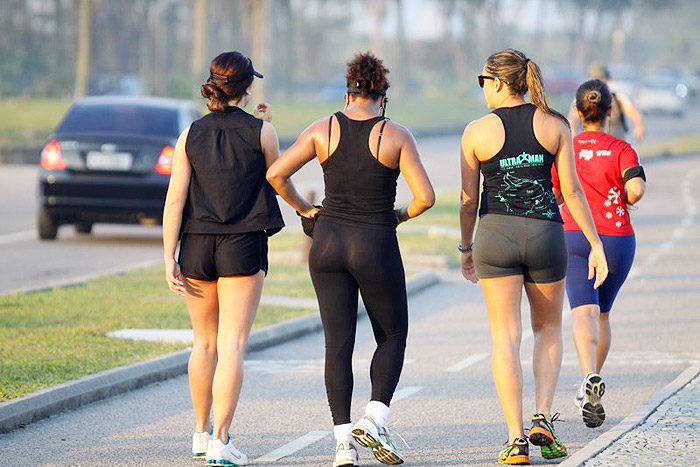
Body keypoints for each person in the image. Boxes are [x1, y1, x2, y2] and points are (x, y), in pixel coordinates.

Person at [266, 52, 434, 467]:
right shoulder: (395, 134)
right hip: (375, 241)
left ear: (347, 92)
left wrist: (306, 210)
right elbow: (426, 198)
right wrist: (399, 216)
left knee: (337, 344)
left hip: (326, 244)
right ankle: (375, 418)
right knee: (392, 335)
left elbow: (274, 175)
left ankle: (343, 444)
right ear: (382, 97)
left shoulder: (322, 128)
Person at [458, 49, 609, 465]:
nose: (483, 88)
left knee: (505, 337)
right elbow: (572, 193)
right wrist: (596, 245)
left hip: (495, 237)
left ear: (502, 83)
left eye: (484, 80)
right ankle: (543, 416)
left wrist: (466, 247)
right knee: (547, 330)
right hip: (545, 235)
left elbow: (469, 201)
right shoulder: (555, 124)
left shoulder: (475, 132)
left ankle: (515, 439)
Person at [162, 51, 288, 466]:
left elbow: (175, 199)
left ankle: (199, 433)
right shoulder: (261, 133)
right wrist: (267, 126)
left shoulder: (189, 134)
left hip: (196, 245)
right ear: (248, 89)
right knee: (232, 344)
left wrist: (169, 257)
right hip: (242, 244)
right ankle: (221, 440)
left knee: (204, 343)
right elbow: (277, 178)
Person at [553, 79, 646, 429]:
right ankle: (592, 380)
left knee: (582, 313)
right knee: (603, 314)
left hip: (575, 236)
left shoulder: (567, 148)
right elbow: (635, 190)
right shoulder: (622, 149)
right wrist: (619, 195)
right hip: (617, 238)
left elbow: (557, 193)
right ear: (610, 111)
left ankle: (587, 375)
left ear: (577, 112)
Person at [567, 63, 646, 141]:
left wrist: (639, 125)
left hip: (616, 144)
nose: (598, 81)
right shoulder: (582, 98)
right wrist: (573, 132)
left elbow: (633, 112)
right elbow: (573, 118)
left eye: (601, 77)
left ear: (608, 78)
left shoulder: (617, 97)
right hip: (592, 146)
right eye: (594, 77)